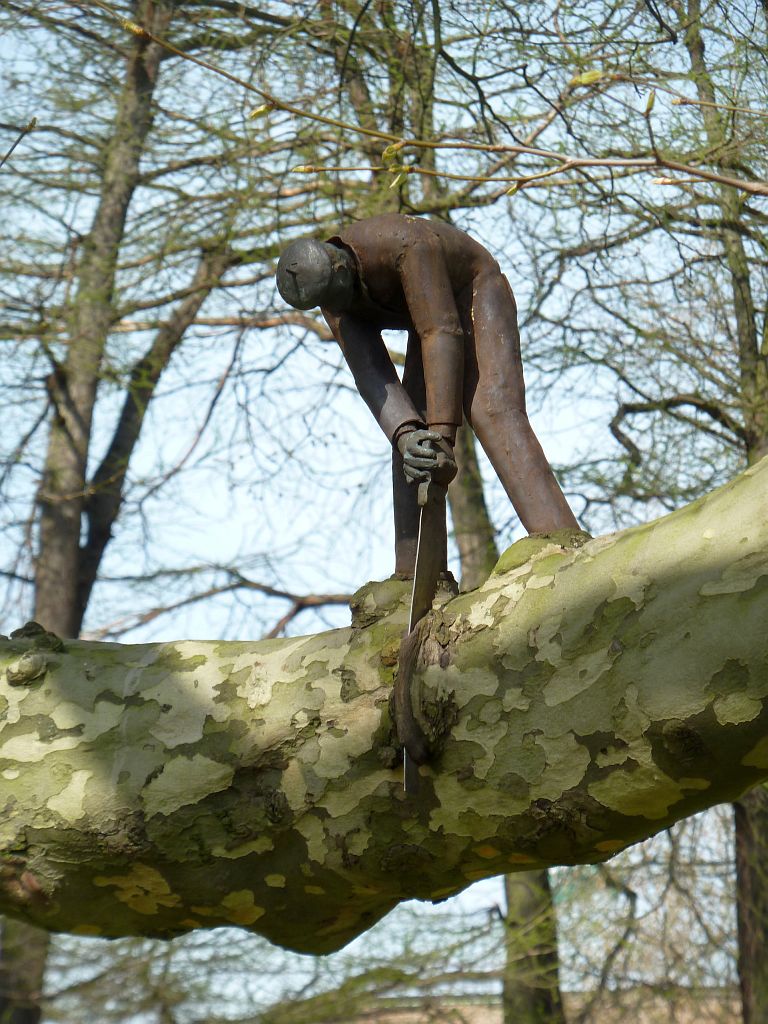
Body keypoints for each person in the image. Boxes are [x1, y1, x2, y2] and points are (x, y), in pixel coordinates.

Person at [276, 213, 578, 577]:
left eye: (342, 297)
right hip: (427, 324)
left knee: (491, 408)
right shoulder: (326, 291)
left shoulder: (404, 242)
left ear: (341, 267)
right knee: (413, 442)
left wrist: (443, 434)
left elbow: (442, 330)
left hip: (473, 291)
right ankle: (415, 574)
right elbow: (370, 372)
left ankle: (561, 540)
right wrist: (407, 434)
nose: (339, 309)